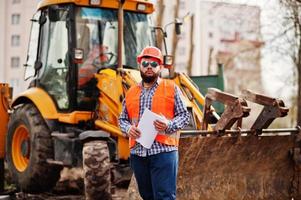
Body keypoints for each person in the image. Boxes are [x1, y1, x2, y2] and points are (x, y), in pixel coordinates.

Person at [119, 46, 190, 200]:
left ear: (160, 67)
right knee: (147, 196)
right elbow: (122, 119)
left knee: (164, 196)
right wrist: (128, 128)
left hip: (163, 152)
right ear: (139, 66)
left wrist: (168, 125)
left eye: (153, 64)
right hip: (138, 154)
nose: (149, 67)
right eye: (145, 64)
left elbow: (185, 116)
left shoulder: (171, 88)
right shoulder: (131, 92)